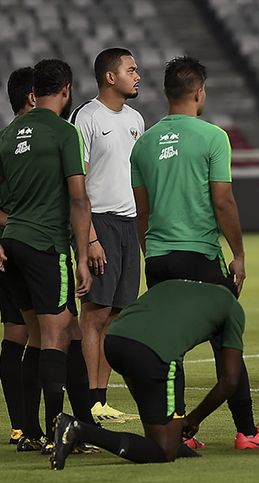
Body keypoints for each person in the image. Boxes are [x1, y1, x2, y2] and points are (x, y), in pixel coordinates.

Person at [129, 56, 259, 450]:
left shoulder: (144, 143)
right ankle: (247, 432)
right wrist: (237, 252)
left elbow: (142, 211)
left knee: (170, 347)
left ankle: (178, 434)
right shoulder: (212, 136)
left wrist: (150, 251)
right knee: (226, 343)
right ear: (199, 93)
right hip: (199, 254)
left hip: (158, 257)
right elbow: (223, 202)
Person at [50, 279, 259, 470]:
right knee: (164, 452)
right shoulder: (231, 305)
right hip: (153, 353)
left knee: (159, 428)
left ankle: (168, 439)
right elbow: (230, 379)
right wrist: (194, 418)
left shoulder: (173, 284)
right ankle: (79, 430)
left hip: (115, 342)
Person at [0, 59, 94, 452]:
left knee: (43, 336)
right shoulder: (64, 132)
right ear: (67, 90)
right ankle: (60, 432)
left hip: (13, 243)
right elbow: (77, 196)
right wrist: (83, 256)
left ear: (34, 92)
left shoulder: (8, 135)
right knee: (57, 334)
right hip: (44, 244)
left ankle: (30, 429)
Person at [69, 48, 144, 421]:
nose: (138, 76)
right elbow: (77, 184)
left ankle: (101, 398)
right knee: (95, 315)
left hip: (129, 225)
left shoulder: (136, 120)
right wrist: (91, 238)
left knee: (116, 315)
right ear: (110, 77)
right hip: (99, 222)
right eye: (131, 70)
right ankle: (90, 400)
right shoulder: (86, 117)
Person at [0, 67, 33, 445]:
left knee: (22, 332)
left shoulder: (7, 139)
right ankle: (25, 424)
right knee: (35, 332)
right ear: (32, 98)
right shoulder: (17, 142)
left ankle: (23, 424)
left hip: (14, 241)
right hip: (19, 244)